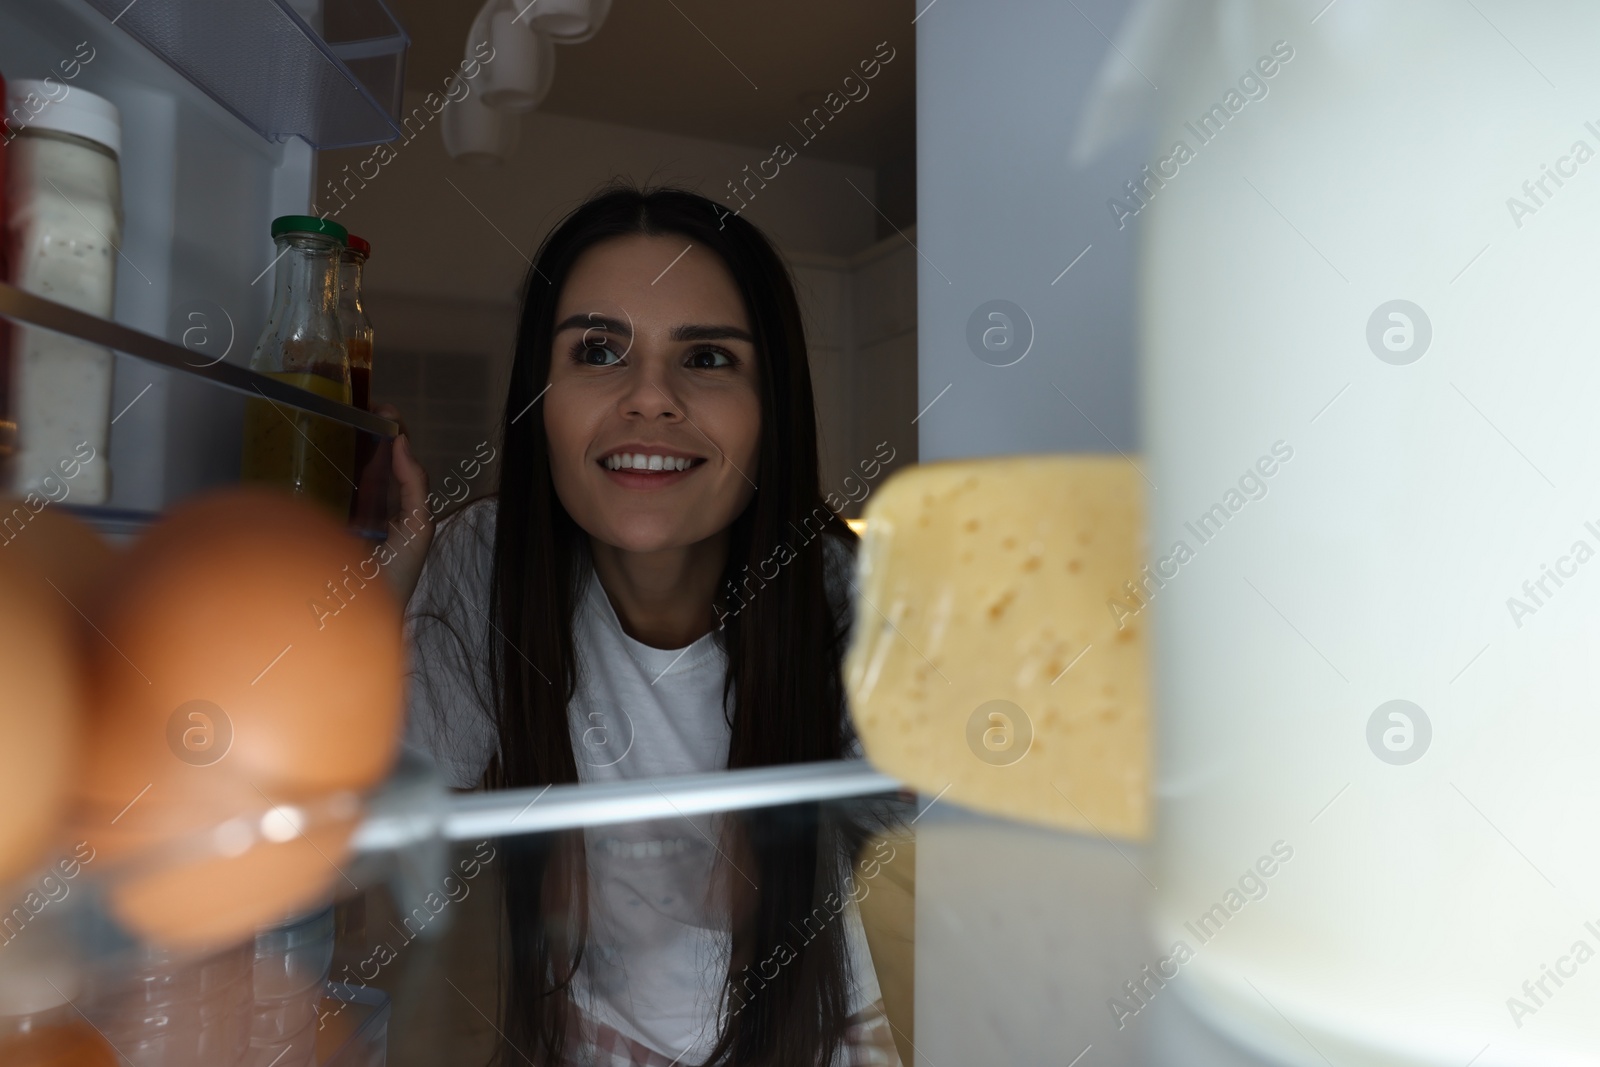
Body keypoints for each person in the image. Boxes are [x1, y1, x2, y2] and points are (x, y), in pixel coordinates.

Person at [384, 184, 902, 1067]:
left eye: (706, 358)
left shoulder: (843, 590)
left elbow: (917, 823)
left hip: (810, 1038)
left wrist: (808, 841)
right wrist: (375, 598)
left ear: (770, 405)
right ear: (537, 398)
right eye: (597, 350)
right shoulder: (486, 560)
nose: (650, 398)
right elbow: (380, 813)